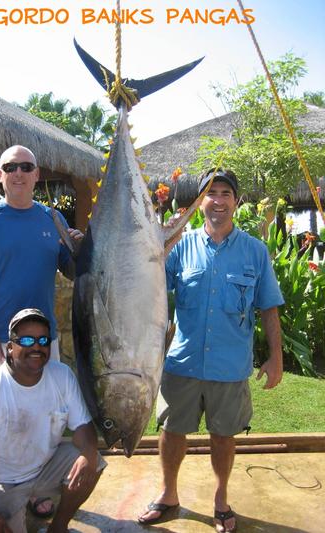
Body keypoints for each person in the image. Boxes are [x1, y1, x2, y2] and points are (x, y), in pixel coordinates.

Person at [138, 168, 284, 532]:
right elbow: (148, 284)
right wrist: (161, 243)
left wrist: (276, 357)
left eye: (225, 193)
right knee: (172, 432)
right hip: (182, 363)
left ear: (236, 201)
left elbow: (269, 307)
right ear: (200, 201)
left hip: (229, 367)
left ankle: (221, 499)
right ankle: (168, 494)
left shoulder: (255, 251)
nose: (218, 200)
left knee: (223, 435)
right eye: (210, 194)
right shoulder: (180, 246)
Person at [0, 145, 82, 517]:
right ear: (0, 175)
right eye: (10, 167)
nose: (18, 173)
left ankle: (36, 489)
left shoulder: (52, 218)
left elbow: (73, 270)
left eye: (26, 167)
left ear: (36, 175)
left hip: (43, 343)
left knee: (44, 419)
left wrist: (79, 248)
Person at [0, 308, 106, 533]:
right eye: (27, 340)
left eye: (43, 340)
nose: (36, 347)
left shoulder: (62, 376)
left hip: (44, 467)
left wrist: (88, 453)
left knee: (93, 461)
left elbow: (83, 427)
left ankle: (58, 527)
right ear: (10, 348)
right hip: (3, 482)